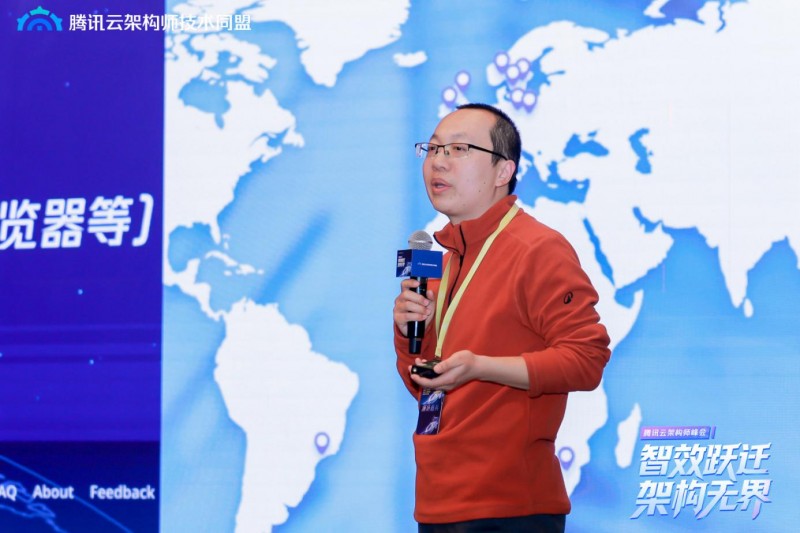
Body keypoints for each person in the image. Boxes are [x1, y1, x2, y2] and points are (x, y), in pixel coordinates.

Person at [393, 103, 611, 532]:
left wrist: (481, 367)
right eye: (432, 149)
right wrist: (407, 335)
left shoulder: (537, 249)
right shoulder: (440, 262)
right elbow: (424, 386)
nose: (438, 161)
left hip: (510, 509)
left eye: (458, 149)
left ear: (503, 171)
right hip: (437, 504)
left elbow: (587, 360)